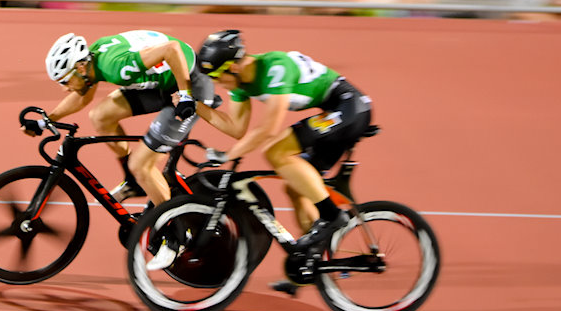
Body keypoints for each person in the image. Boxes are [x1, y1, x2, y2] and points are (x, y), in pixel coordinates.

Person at [192, 29, 374, 294]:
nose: (218, 83)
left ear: (235, 67)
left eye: (219, 76)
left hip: (349, 107)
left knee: (277, 151)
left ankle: (333, 216)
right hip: (334, 112)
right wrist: (196, 107)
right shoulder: (241, 84)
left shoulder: (276, 66)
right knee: (296, 188)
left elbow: (269, 128)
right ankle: (314, 265)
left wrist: (227, 155)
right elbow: (237, 129)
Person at [31, 30, 216, 224]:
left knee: (141, 165)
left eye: (65, 80)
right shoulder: (92, 60)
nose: (64, 88)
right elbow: (83, 97)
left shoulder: (115, 67)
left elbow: (171, 49)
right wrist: (47, 120)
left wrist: (186, 95)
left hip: (190, 84)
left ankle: (173, 230)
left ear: (81, 67)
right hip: (164, 82)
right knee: (100, 116)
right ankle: (134, 181)